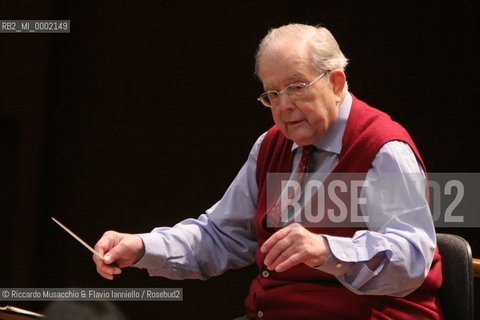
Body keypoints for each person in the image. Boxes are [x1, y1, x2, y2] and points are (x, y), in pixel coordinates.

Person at [93, 24, 443, 319]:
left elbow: (411, 256)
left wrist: (326, 249)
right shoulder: (271, 146)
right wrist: (141, 247)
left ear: (337, 83)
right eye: (272, 94)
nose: (285, 106)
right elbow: (220, 235)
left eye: (296, 87)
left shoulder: (381, 148)